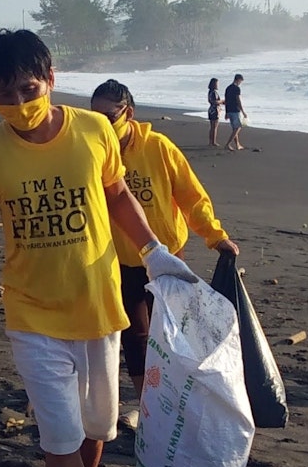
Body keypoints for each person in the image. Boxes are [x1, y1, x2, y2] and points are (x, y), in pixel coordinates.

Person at [0, 30, 199, 467]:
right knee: (59, 437)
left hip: (99, 307)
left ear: (51, 80)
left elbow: (116, 195)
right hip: (33, 315)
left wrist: (154, 252)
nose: (18, 104)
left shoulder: (92, 131)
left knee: (97, 430)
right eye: (4, 94)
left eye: (27, 88)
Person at [88, 79, 239, 420]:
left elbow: (191, 197)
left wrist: (215, 236)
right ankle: (149, 408)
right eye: (93, 117)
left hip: (166, 258)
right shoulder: (91, 152)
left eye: (108, 117)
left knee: (172, 334)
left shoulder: (159, 147)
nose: (101, 125)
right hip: (118, 261)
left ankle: (176, 397)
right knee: (136, 336)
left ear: (129, 113)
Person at [223, 74, 247, 151]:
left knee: (234, 128)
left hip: (229, 110)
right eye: (240, 81)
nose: (240, 83)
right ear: (238, 80)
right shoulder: (237, 88)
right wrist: (243, 111)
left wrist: (226, 112)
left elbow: (226, 101)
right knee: (238, 127)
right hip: (235, 110)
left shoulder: (228, 88)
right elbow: (238, 100)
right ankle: (228, 144)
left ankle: (237, 144)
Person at [206, 78, 223, 147]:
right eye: (216, 83)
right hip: (214, 110)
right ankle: (213, 142)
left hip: (211, 110)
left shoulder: (210, 92)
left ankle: (211, 141)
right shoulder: (213, 92)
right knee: (214, 127)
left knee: (212, 127)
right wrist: (221, 101)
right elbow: (214, 101)